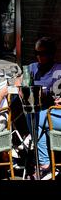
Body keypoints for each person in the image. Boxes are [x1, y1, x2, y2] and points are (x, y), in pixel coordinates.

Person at [27, 37, 61, 180]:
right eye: (37, 53)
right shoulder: (32, 68)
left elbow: (54, 93)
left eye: (43, 53)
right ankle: (45, 164)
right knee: (33, 115)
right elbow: (21, 84)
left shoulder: (58, 69)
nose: (39, 57)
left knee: (34, 117)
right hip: (42, 112)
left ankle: (44, 163)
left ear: (52, 53)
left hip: (56, 113)